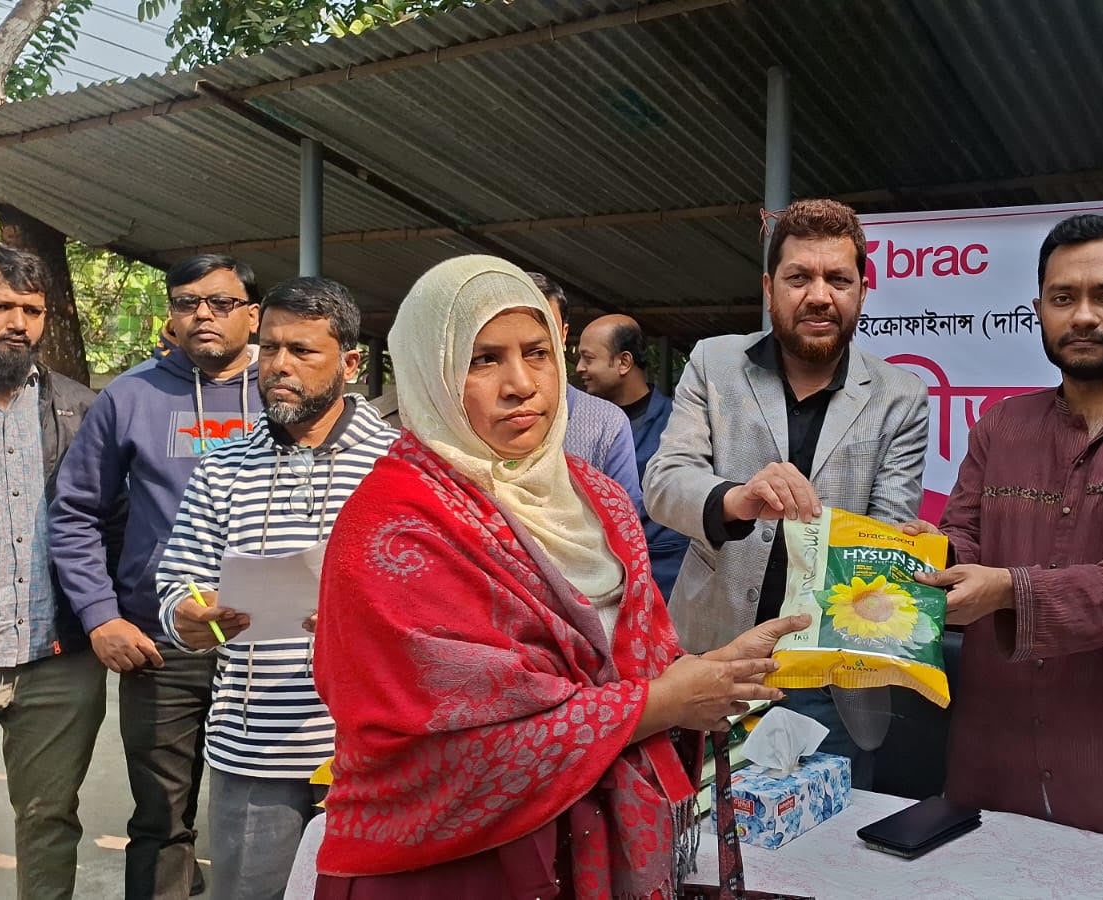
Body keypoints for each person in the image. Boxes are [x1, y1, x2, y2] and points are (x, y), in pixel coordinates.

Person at [311, 255, 806, 898]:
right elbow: (450, 745)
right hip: (457, 868)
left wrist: (706, 676)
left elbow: (634, 657)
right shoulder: (391, 528)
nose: (522, 383)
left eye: (537, 352)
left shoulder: (595, 498)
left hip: (594, 848)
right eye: (482, 359)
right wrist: (661, 703)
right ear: (429, 374)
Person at [902, 214, 1103, 853]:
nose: (1083, 316)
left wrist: (1007, 591)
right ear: (1039, 312)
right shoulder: (1002, 425)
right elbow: (964, 536)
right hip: (992, 749)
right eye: (1063, 299)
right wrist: (927, 555)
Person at [642, 198, 928, 781]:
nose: (819, 295)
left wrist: (903, 550)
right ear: (771, 287)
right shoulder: (714, 363)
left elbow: (889, 526)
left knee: (828, 856)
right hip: (712, 658)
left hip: (832, 678)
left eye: (838, 279)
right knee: (692, 841)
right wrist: (736, 497)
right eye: (799, 277)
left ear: (862, 291)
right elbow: (665, 483)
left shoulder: (901, 395)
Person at [153, 278, 396, 900]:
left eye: (303, 351)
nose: (279, 366)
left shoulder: (399, 464)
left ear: (350, 362)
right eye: (271, 347)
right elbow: (180, 575)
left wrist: (363, 621)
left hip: (375, 750)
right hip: (253, 749)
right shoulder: (223, 461)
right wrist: (187, 614)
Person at [49, 254, 262, 899]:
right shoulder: (131, 396)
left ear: (253, 314)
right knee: (162, 819)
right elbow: (75, 512)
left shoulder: (286, 394)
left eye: (221, 303)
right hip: (161, 645)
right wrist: (101, 616)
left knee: (268, 817)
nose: (202, 314)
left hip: (272, 642)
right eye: (186, 302)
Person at [0, 245, 104, 900]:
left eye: (32, 310)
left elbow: (111, 521)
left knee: (50, 820)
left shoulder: (79, 407)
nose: (18, 322)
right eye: (0, 306)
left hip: (58, 657)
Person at [575, 314, 690, 598]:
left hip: (664, 578)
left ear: (624, 362)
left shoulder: (679, 426)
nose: (579, 368)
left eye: (589, 358)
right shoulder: (577, 423)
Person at [525, 271, 642, 510]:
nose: (531, 337)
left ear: (564, 333)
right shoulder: (469, 417)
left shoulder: (607, 424)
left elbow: (625, 519)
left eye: (544, 322)